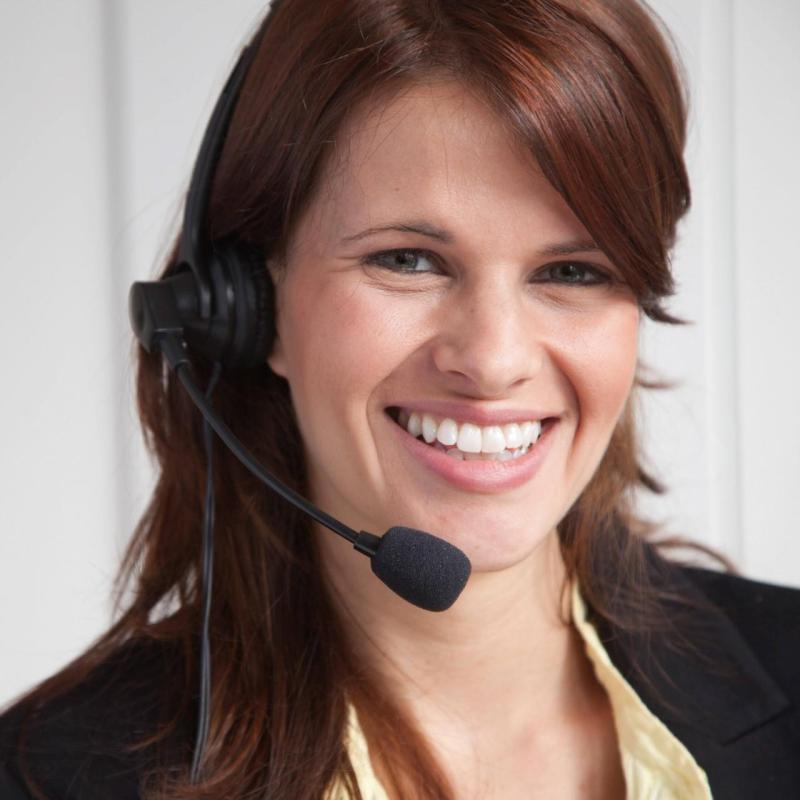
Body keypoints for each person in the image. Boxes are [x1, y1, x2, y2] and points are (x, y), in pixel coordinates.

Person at [2, 0, 799, 797]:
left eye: (572, 271)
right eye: (409, 260)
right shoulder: (50, 774)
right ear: (249, 307)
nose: (493, 361)